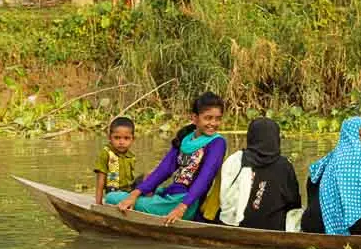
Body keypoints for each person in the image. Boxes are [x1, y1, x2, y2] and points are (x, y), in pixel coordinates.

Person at [107, 92, 227, 226]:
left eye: (217, 119)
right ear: (194, 118)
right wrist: (134, 194)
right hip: (170, 195)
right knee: (116, 196)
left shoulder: (217, 143)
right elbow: (164, 169)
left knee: (113, 198)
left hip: (186, 203)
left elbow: (204, 179)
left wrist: (181, 208)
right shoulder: (185, 138)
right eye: (208, 118)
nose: (213, 123)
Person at [301, 117, 361, 235]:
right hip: (357, 231)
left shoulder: (327, 160)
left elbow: (311, 186)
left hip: (313, 227)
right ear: (349, 135)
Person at [217, 118, 301, 230]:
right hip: (274, 228)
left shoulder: (236, 159)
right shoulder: (284, 165)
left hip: (237, 225)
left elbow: (224, 196)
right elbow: (294, 202)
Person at [93, 116, 139, 205]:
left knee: (147, 178)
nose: (121, 142)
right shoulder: (106, 153)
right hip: (114, 193)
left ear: (133, 139)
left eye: (126, 138)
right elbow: (100, 180)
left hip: (129, 192)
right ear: (110, 137)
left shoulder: (131, 156)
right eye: (117, 138)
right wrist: (98, 203)